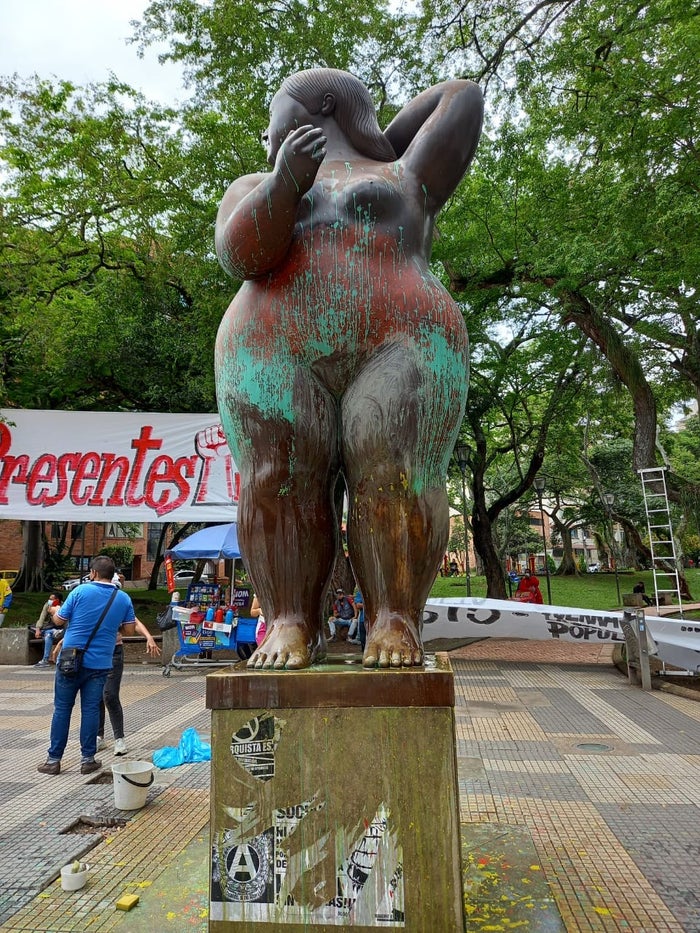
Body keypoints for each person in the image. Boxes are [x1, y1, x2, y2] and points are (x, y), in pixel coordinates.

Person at [215, 68, 483, 671]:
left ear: (324, 103)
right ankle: (289, 619)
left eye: (272, 115)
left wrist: (377, 143)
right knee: (277, 477)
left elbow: (461, 97)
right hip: (272, 346)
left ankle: (394, 615)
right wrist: (284, 183)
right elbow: (240, 255)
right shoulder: (253, 183)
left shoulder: (405, 173)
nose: (266, 134)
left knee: (397, 472)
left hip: (403, 338)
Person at [36, 555, 136, 776]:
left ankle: (53, 761)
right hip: (100, 663)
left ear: (93, 573)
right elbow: (129, 630)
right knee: (90, 709)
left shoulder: (80, 592)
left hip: (70, 660)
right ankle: (88, 760)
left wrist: (53, 611)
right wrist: (111, 626)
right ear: (112, 575)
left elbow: (59, 621)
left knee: (62, 709)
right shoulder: (123, 598)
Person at [97, 617, 161, 756]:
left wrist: (149, 637)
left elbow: (134, 622)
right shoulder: (86, 603)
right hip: (92, 651)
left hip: (114, 651)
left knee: (110, 695)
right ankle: (98, 736)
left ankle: (119, 738)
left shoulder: (118, 604)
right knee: (96, 695)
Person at [33, 594, 64, 668]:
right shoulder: (47, 605)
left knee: (49, 634)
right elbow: (42, 617)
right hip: (50, 628)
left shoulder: (64, 606)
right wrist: (38, 629)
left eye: (52, 599)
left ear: (57, 600)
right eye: (49, 599)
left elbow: (63, 621)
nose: (49, 601)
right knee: (48, 634)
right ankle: (45, 660)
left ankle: (46, 660)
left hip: (62, 628)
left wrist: (55, 614)